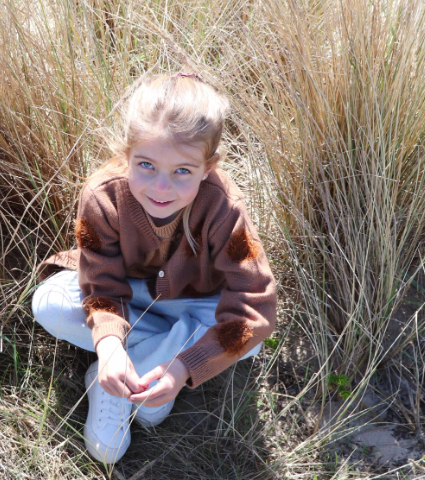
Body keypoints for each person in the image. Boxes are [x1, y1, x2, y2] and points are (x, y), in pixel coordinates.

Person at [31, 72, 277, 465]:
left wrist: (182, 369)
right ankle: (124, 367)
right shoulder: (102, 195)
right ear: (126, 154)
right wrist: (109, 344)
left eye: (182, 171)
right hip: (128, 297)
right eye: (146, 165)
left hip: (196, 304)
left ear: (208, 167)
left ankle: (132, 377)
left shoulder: (224, 207)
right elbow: (100, 284)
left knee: (251, 339)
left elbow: (255, 304)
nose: (161, 188)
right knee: (49, 302)